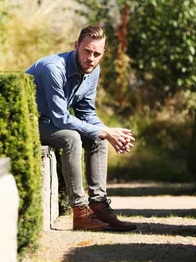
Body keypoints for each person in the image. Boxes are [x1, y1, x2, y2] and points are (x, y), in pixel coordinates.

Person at [26, 24, 136, 231]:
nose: (91, 58)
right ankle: (79, 211)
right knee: (71, 137)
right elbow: (62, 118)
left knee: (98, 138)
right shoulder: (53, 69)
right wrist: (105, 130)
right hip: (30, 121)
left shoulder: (92, 71)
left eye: (97, 54)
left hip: (51, 122)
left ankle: (98, 204)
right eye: (87, 51)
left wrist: (109, 134)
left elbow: (86, 112)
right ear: (76, 46)